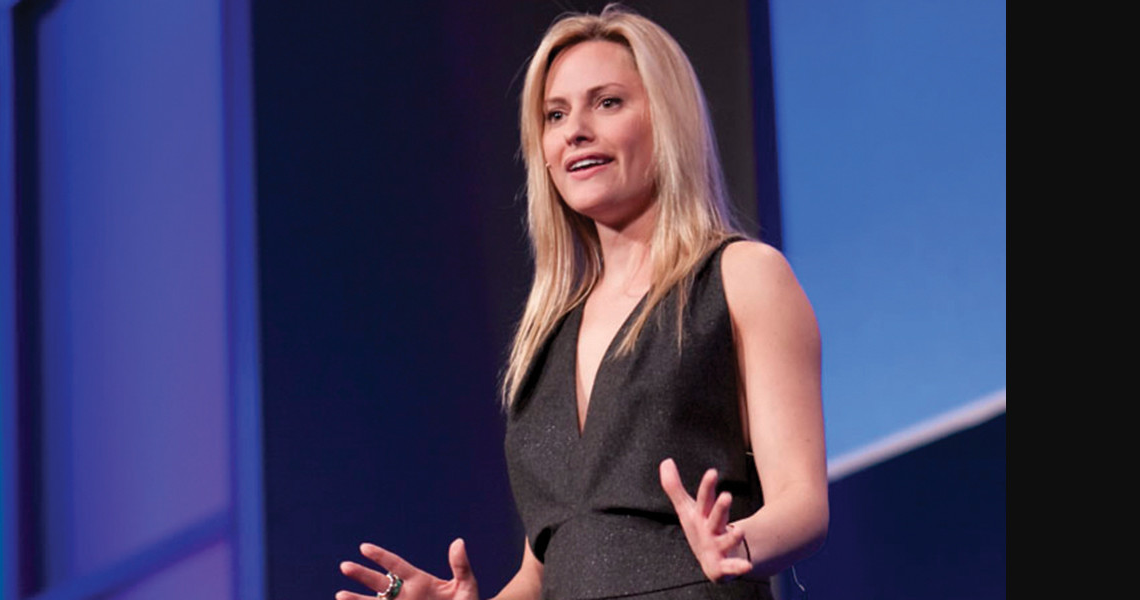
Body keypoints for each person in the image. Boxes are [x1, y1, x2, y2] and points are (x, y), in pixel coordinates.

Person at [337, 4, 827, 600]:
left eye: (608, 102)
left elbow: (803, 503)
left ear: (666, 119)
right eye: (555, 114)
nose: (575, 131)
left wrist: (737, 543)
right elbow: (548, 570)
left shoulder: (742, 277)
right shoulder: (546, 338)